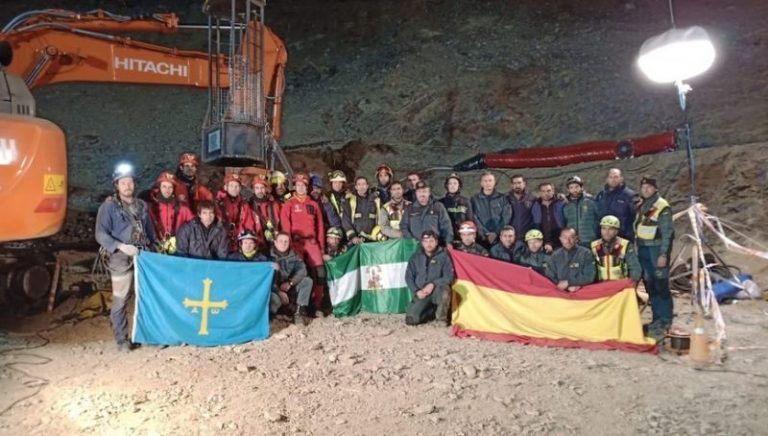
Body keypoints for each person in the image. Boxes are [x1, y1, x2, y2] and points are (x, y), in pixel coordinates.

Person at [95, 162, 156, 352]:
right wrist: (121, 246)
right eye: (123, 183)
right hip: (121, 257)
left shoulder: (142, 206)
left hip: (142, 255)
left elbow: (150, 232)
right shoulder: (109, 207)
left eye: (130, 182)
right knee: (121, 298)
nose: (127, 186)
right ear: (117, 185)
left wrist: (153, 250)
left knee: (145, 298)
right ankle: (122, 339)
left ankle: (146, 336)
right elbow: (101, 234)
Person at [634, 176, 674, 341]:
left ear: (655, 189)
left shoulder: (661, 206)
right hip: (643, 248)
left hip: (656, 249)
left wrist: (663, 254)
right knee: (650, 285)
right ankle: (656, 319)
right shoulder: (643, 205)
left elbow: (667, 233)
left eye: (649, 187)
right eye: (644, 187)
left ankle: (665, 321)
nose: (646, 190)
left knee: (661, 284)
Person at [280, 172, 327, 314]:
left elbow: (320, 226)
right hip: (296, 242)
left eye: (303, 185)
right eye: (298, 185)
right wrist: (288, 246)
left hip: (311, 242)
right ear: (294, 186)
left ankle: (316, 305)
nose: (300, 188)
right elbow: (285, 225)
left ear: (307, 187)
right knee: (298, 273)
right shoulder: (289, 204)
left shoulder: (313, 204)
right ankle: (297, 305)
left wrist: (322, 247)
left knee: (320, 273)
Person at [404, 230, 455, 326]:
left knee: (445, 292)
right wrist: (417, 291)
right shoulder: (415, 257)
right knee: (411, 320)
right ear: (422, 243)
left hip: (437, 291)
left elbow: (449, 276)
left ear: (436, 242)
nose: (429, 244)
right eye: (426, 241)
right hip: (422, 293)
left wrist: (433, 284)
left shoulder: (444, 256)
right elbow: (408, 277)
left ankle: (441, 318)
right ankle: (432, 312)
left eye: (431, 241)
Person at [146, 171, 194, 254]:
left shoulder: (183, 209)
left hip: (178, 249)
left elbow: (194, 228)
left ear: (174, 189)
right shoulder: (149, 208)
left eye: (170, 187)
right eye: (164, 186)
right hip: (155, 250)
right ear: (159, 188)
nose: (167, 190)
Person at [270, 232, 313, 324]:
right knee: (274, 299)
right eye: (280, 241)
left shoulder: (294, 255)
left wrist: (290, 283)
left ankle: (299, 312)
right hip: (273, 289)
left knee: (307, 281)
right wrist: (278, 291)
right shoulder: (267, 256)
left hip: (288, 287)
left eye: (286, 241)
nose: (283, 244)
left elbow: (302, 271)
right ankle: (271, 317)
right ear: (275, 242)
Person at [590, 215, 642, 282]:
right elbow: (590, 269)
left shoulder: (625, 245)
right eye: (604, 228)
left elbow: (635, 267)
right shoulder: (594, 245)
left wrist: (632, 282)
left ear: (616, 231)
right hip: (601, 285)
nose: (606, 232)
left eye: (610, 229)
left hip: (621, 285)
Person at [401, 181, 454, 246]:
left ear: (429, 193)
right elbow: (404, 226)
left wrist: (448, 242)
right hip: (416, 247)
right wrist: (411, 240)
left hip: (435, 247)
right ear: (416, 193)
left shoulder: (438, 206)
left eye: (424, 191)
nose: (422, 194)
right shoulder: (409, 209)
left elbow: (446, 225)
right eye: (419, 192)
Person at [544, 227, 596, 293]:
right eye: (565, 238)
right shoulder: (555, 255)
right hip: (560, 293)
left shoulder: (586, 253)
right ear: (560, 239)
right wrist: (563, 286)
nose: (568, 241)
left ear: (576, 238)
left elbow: (589, 276)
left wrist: (571, 283)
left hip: (581, 292)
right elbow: (550, 276)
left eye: (571, 237)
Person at [215, 173, 256, 253]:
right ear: (226, 187)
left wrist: (246, 240)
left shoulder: (244, 204)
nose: (234, 189)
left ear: (240, 188)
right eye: (231, 186)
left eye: (237, 186)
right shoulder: (218, 203)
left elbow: (249, 223)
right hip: (221, 241)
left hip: (238, 241)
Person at [471, 171, 512, 248]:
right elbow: (474, 217)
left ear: (494, 182)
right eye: (485, 181)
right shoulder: (474, 199)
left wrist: (496, 233)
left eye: (490, 180)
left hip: (500, 238)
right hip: (482, 238)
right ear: (481, 183)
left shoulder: (503, 198)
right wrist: (484, 233)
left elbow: (506, 217)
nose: (488, 183)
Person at [595, 168, 637, 241]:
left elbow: (635, 217)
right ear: (607, 179)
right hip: (604, 238)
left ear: (621, 178)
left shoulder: (630, 196)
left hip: (623, 238)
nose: (613, 180)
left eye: (616, 177)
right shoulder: (601, 195)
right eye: (610, 177)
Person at [562, 175, 600, 248]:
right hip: (573, 242)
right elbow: (564, 223)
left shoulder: (591, 201)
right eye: (571, 187)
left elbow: (599, 218)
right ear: (568, 190)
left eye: (576, 187)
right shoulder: (566, 205)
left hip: (589, 240)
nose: (574, 190)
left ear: (581, 187)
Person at [343, 176, 384, 243]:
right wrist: (353, 237)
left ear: (367, 186)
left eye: (364, 184)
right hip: (356, 240)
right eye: (359, 184)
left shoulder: (376, 201)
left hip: (373, 240)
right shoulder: (350, 201)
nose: (362, 187)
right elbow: (346, 221)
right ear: (356, 187)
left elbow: (382, 219)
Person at [438, 173, 474, 242]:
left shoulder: (466, 202)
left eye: (455, 183)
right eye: (450, 183)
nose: (452, 186)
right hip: (445, 238)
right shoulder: (440, 203)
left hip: (462, 237)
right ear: (447, 186)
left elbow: (470, 221)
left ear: (459, 185)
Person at [532, 182, 565, 254]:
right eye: (543, 191)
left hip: (561, 240)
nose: (546, 193)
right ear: (540, 193)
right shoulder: (535, 205)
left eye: (549, 191)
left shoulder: (561, 202)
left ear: (553, 191)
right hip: (543, 240)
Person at [250, 175, 281, 250]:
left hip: (274, 242)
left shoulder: (275, 204)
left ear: (266, 189)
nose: (260, 191)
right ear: (253, 190)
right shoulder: (248, 206)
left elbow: (281, 222)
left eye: (262, 188)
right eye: (257, 188)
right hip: (256, 243)